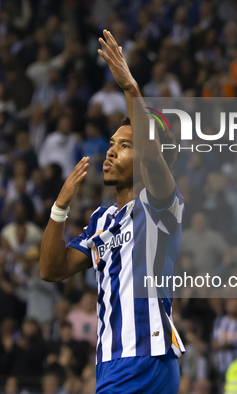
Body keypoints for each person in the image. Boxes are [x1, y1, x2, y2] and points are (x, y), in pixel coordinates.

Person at [40, 29, 184, 394]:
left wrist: (131, 89)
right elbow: (51, 269)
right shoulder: (101, 222)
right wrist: (59, 208)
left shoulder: (162, 204)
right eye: (111, 144)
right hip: (110, 362)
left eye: (124, 145)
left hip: (148, 357)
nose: (111, 152)